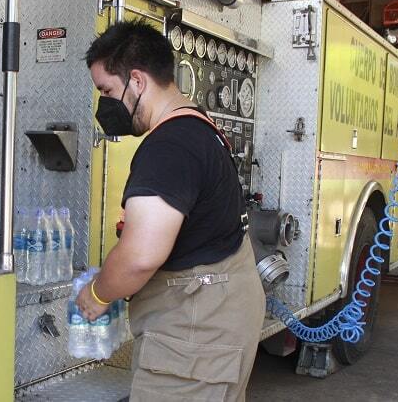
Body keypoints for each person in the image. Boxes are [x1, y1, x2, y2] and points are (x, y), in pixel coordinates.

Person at [76, 20, 266, 402]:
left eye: (107, 90)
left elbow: (139, 257)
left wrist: (97, 295)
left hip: (196, 330)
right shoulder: (199, 128)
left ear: (138, 81)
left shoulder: (169, 146)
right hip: (218, 319)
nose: (105, 104)